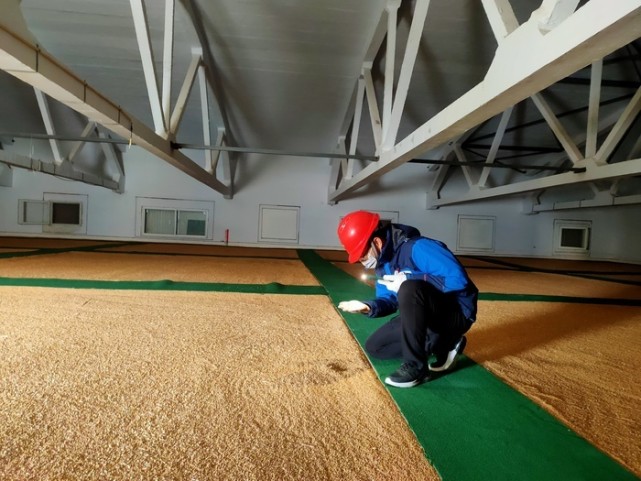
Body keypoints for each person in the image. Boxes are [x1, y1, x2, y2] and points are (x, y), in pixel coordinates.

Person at [336, 210, 478, 388]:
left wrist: (412, 278)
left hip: (456, 313)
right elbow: (389, 300)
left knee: (410, 287)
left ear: (377, 242)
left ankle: (416, 367)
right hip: (424, 312)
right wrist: (367, 306)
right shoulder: (383, 265)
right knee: (376, 346)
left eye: (363, 255)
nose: (362, 261)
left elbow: (458, 279)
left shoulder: (418, 247)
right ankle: (444, 343)